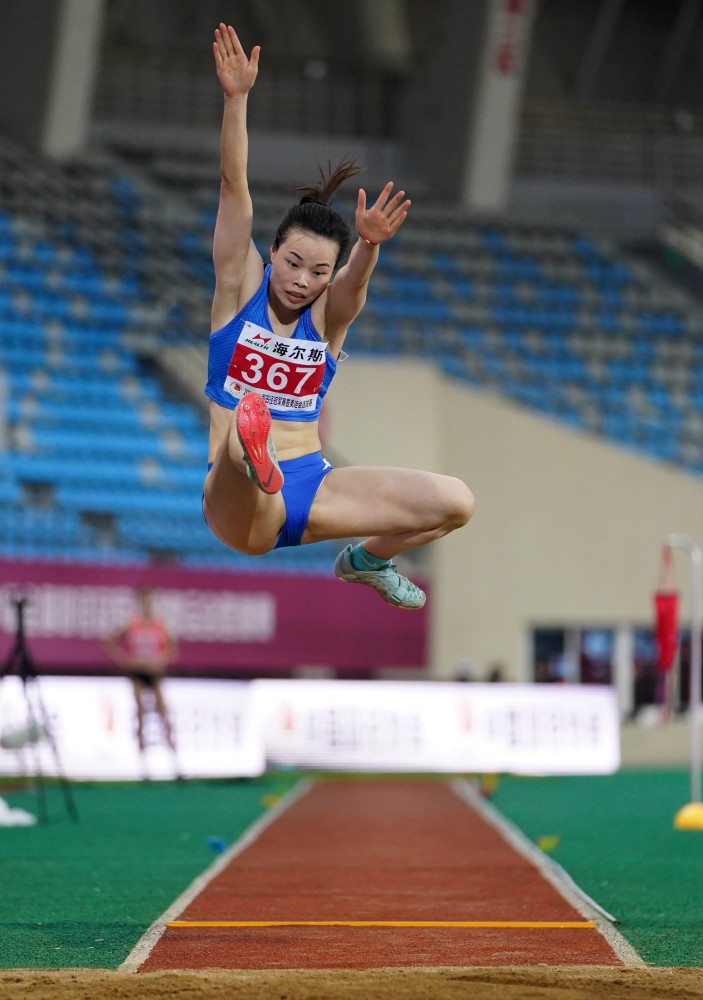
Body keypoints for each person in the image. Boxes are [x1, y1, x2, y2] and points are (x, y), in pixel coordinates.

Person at [202, 23, 475, 610]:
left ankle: (368, 559)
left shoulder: (329, 315)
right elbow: (233, 188)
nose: (302, 280)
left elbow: (353, 281)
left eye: (317, 273)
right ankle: (254, 456)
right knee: (244, 432)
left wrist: (369, 246)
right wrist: (236, 99)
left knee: (456, 502)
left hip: (314, 484)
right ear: (273, 251)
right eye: (293, 263)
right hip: (238, 501)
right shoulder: (237, 284)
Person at [103, 585, 180, 778]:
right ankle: (143, 765)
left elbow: (172, 649)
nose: (147, 604)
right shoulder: (131, 623)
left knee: (164, 713)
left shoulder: (161, 624)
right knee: (140, 713)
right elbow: (108, 642)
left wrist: (160, 660)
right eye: (144, 600)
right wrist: (125, 660)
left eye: (150, 600)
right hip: (137, 672)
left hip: (154, 673)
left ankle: (175, 762)